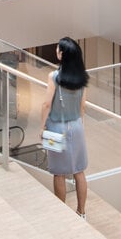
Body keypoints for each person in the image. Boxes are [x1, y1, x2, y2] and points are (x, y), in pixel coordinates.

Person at [39, 37, 89, 220]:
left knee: (59, 172)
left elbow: (46, 104)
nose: (56, 51)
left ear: (62, 55)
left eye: (58, 49)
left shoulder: (54, 77)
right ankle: (81, 212)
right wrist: (79, 124)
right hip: (76, 126)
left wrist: (42, 126)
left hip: (55, 128)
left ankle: (61, 215)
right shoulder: (82, 77)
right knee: (79, 171)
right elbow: (83, 106)